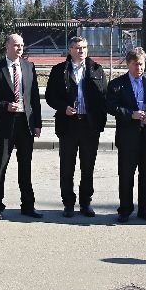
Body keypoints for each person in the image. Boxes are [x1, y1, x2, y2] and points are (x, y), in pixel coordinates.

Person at [0, 33, 43, 220]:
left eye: (22, 45)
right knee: (0, 166)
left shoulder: (28, 66)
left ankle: (28, 205)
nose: (19, 48)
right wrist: (5, 105)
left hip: (25, 125)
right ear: (7, 46)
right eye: (16, 45)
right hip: (4, 126)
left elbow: (34, 98)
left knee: (25, 167)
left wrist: (37, 123)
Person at [46, 36, 108, 218]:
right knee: (67, 167)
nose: (81, 51)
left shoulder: (97, 69)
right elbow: (50, 96)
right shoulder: (59, 70)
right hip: (68, 126)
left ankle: (86, 202)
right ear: (70, 50)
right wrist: (63, 107)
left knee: (88, 167)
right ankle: (68, 204)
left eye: (84, 47)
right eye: (77, 48)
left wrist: (99, 121)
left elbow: (103, 96)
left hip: (90, 126)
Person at [105, 47, 146, 223]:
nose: (140, 68)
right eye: (136, 64)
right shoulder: (117, 84)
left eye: (142, 64)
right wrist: (131, 114)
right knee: (126, 174)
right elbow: (111, 106)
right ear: (128, 64)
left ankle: (145, 209)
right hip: (127, 136)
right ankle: (125, 209)